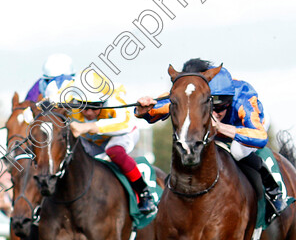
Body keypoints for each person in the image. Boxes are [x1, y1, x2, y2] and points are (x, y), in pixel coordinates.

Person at [137, 58, 285, 214]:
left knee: (238, 151)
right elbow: (156, 108)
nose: (214, 113)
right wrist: (144, 108)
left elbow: (260, 137)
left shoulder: (243, 98)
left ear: (229, 100)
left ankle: (272, 189)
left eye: (221, 106)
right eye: (210, 106)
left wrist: (221, 127)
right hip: (216, 126)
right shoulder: (195, 93)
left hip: (246, 126)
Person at [61, 70, 157, 215]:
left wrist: (89, 126)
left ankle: (144, 193)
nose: (88, 113)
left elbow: (126, 124)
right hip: (90, 140)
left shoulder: (114, 97)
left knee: (114, 151)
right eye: (83, 106)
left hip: (121, 135)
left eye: (94, 107)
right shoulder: (67, 93)